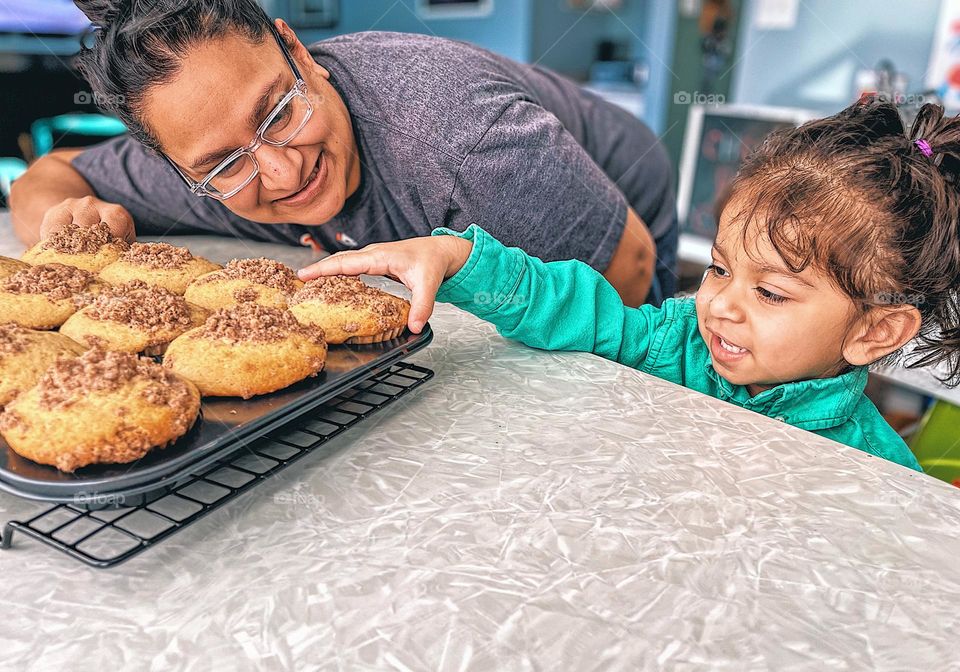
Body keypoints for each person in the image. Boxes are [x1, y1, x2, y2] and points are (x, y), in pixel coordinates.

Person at [297, 99, 960, 472]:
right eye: (721, 269)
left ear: (876, 330)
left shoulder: (879, 474)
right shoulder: (675, 345)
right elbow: (579, 309)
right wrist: (458, 259)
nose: (720, 303)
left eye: (772, 293)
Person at [9, 0, 678, 307]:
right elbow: (45, 176)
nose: (282, 169)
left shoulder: (460, 142)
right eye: (222, 166)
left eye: (277, 112)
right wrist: (62, 223)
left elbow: (628, 271)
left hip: (621, 207)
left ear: (298, 52)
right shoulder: (191, 165)